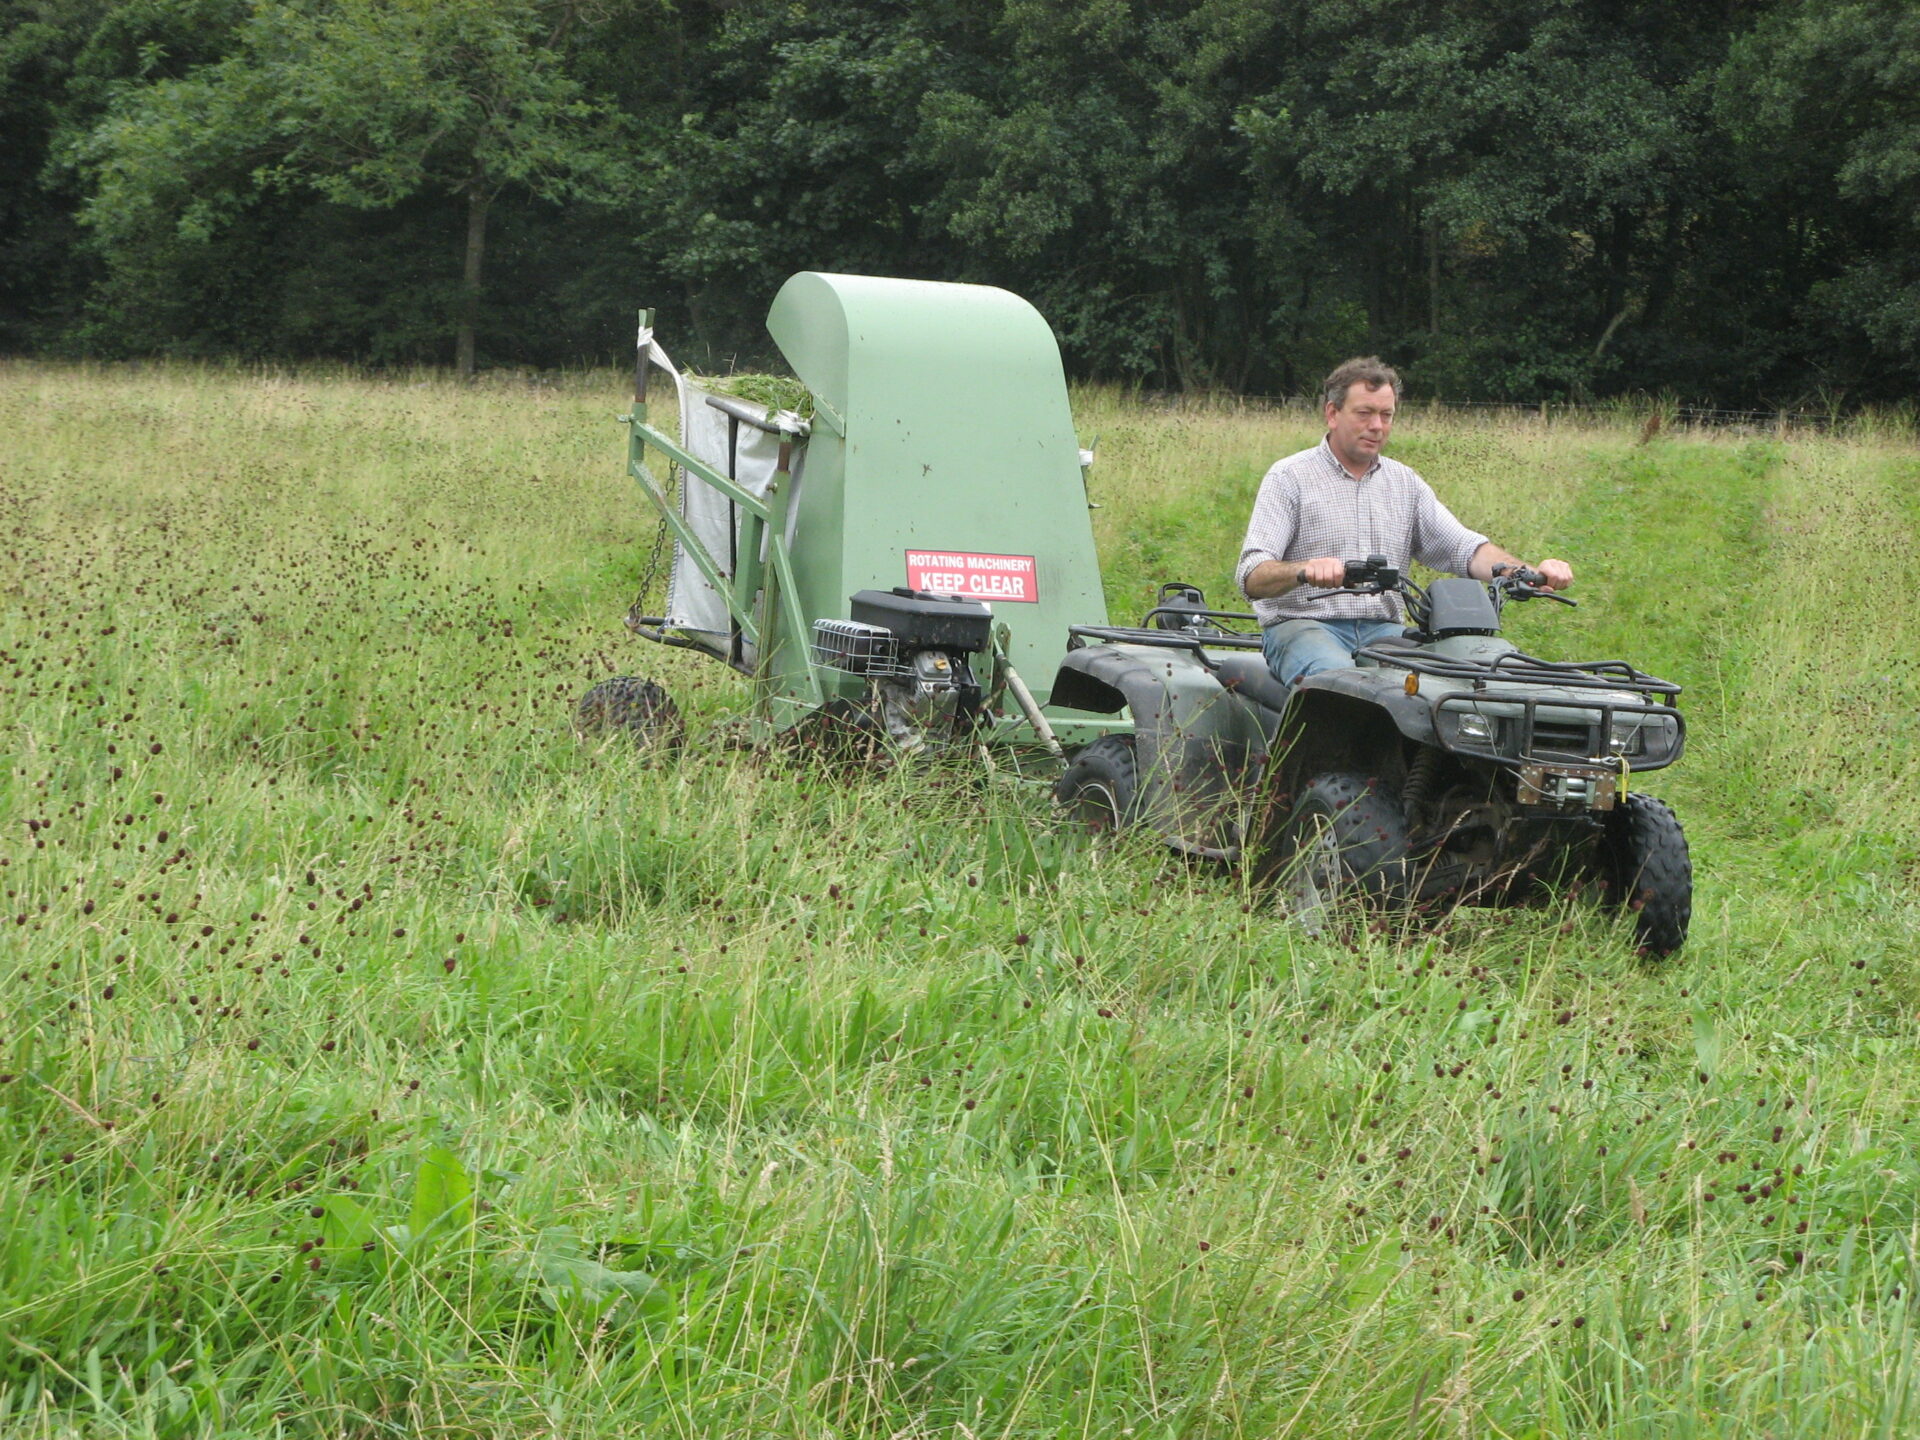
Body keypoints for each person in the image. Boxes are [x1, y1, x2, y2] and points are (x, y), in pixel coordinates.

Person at [1236, 357, 1573, 688]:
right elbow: (1252, 575)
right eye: (1364, 413)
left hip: (1383, 631)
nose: (1377, 426)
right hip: (1302, 627)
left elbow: (1462, 548)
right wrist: (1305, 570)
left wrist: (1523, 572)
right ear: (1332, 414)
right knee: (1340, 685)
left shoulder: (1404, 483)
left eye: (1386, 415)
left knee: (1464, 679)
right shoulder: (1290, 476)